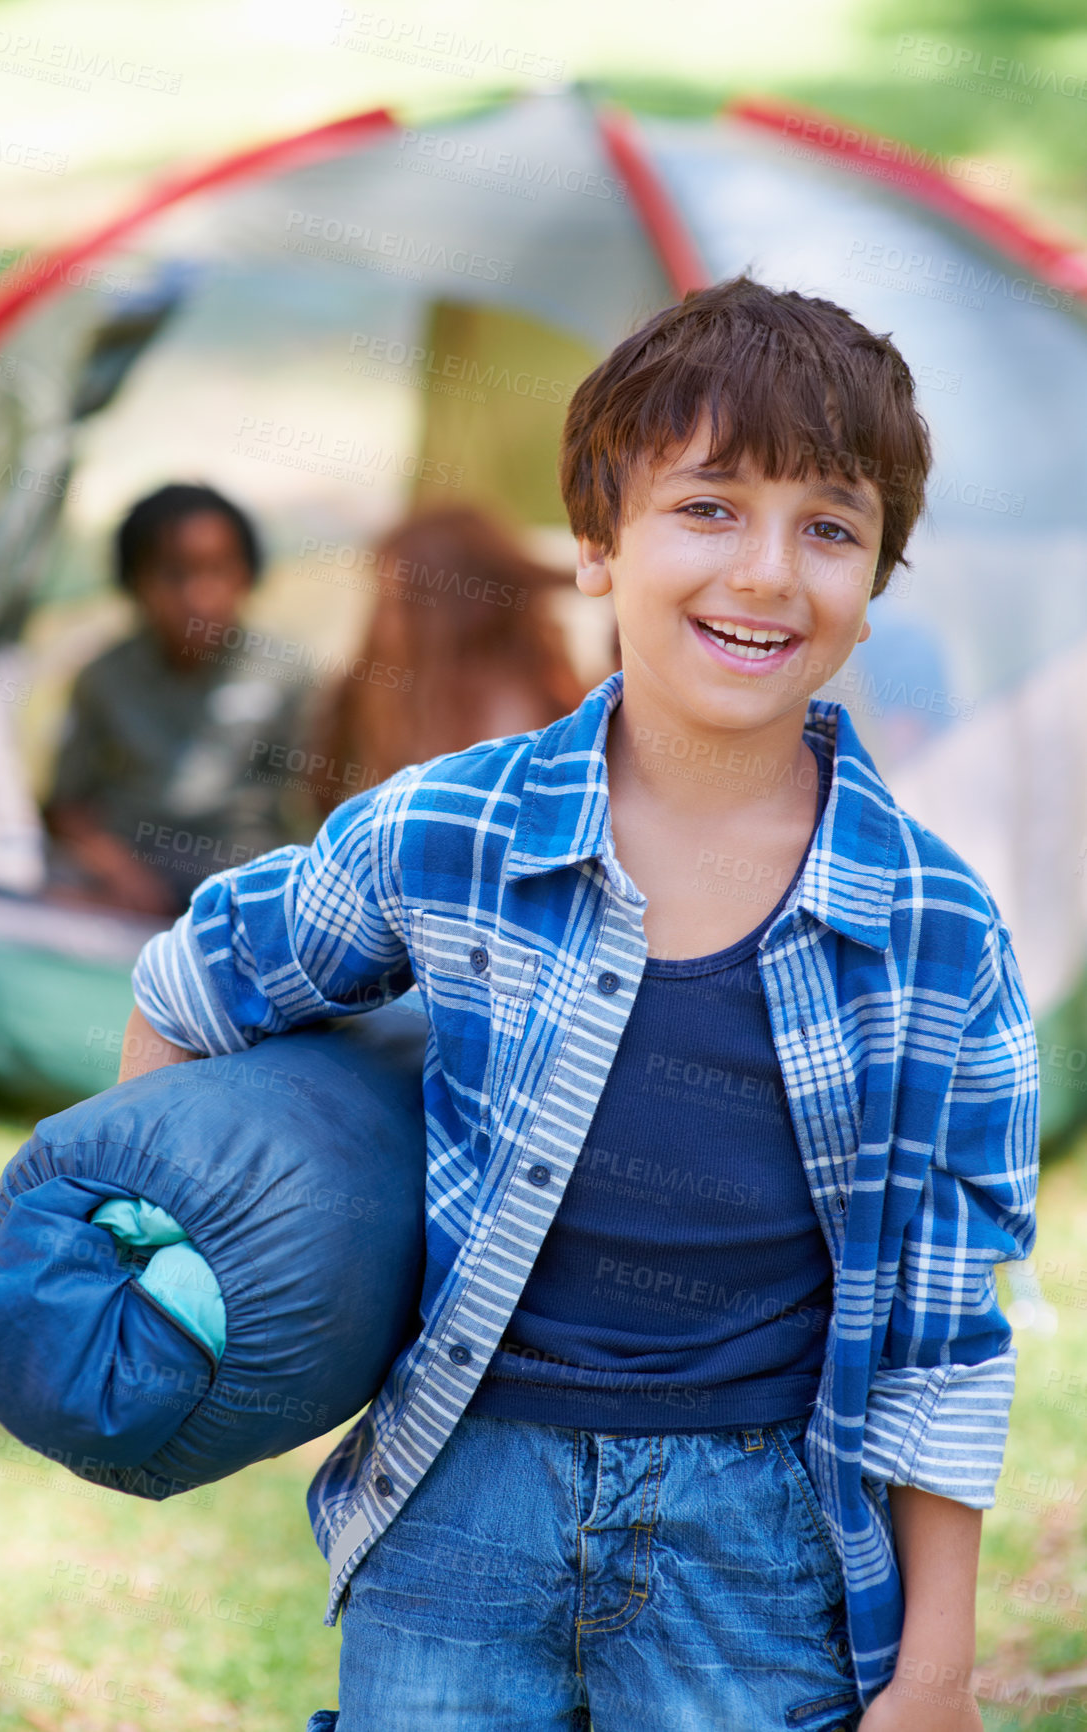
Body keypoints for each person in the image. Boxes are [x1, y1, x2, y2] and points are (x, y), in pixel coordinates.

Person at [119, 278, 1038, 1730]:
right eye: (709, 507)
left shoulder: (929, 933)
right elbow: (197, 982)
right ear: (598, 546)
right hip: (459, 1500)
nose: (766, 573)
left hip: (757, 1541)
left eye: (830, 528)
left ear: (875, 588)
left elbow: (941, 1339)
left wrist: (932, 1674)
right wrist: (144, 1247)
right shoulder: (456, 832)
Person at [45, 483, 304, 916]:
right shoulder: (103, 677)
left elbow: (319, 807)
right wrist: (118, 870)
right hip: (126, 877)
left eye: (218, 570)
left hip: (243, 883)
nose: (198, 597)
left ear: (247, 576)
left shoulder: (289, 677)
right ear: (134, 583)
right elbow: (65, 806)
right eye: (174, 574)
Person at [307, 506, 586, 821]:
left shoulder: (553, 711)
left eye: (395, 602)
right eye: (383, 601)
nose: (385, 626)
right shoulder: (366, 694)